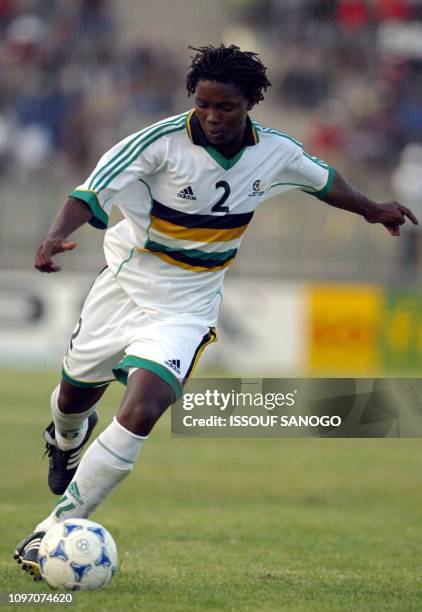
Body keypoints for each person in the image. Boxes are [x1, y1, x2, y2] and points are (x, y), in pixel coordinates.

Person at [14, 44, 417, 580]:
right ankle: (66, 437)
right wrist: (53, 237)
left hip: (187, 308)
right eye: (203, 105)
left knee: (142, 410)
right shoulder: (155, 144)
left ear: (249, 103)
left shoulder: (273, 151)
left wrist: (373, 209)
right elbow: (88, 195)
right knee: (71, 401)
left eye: (225, 107)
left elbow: (322, 181)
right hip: (122, 292)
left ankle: (53, 529)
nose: (212, 116)